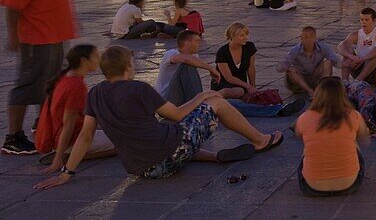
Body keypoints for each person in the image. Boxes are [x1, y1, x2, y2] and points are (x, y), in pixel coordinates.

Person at [34, 45, 282, 189]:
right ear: (128, 67)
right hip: (168, 157)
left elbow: (86, 136)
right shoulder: (139, 88)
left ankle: (212, 156)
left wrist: (67, 172)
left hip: (140, 169)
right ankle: (260, 140)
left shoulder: (95, 93)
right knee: (216, 103)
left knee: (163, 129)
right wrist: (203, 96)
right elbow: (176, 113)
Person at [1, 0, 76, 155]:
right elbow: (13, 6)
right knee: (27, 85)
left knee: (51, 85)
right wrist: (14, 36)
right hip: (36, 37)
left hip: (55, 36)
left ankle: (42, 124)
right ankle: (13, 137)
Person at [158, 30, 303, 118]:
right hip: (169, 103)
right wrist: (211, 69)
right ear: (187, 43)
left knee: (225, 104)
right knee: (187, 65)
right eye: (196, 41)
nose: (199, 45)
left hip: (187, 102)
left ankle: (276, 110)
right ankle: (200, 105)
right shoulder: (171, 53)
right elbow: (186, 59)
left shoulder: (195, 57)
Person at [35, 45, 116, 170]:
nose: (98, 59)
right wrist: (58, 158)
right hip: (72, 140)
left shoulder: (66, 76)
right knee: (123, 141)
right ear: (83, 60)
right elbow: (68, 125)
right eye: (95, 56)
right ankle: (72, 156)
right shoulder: (76, 86)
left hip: (69, 132)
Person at [294, 77, 369, 197]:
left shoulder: (304, 118)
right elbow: (365, 139)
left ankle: (316, 171)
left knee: (306, 147)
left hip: (311, 187)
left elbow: (298, 135)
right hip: (349, 185)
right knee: (353, 142)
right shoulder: (353, 115)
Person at [281, 26, 339, 97]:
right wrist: (283, 66)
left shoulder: (323, 47)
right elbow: (285, 64)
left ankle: (321, 89)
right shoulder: (295, 50)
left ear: (315, 38)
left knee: (328, 62)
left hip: (316, 78)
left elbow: (335, 59)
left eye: (311, 36)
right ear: (301, 39)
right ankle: (310, 91)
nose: (308, 39)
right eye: (305, 37)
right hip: (300, 81)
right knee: (291, 69)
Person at [339, 8, 376, 82]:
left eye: (367, 20)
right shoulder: (356, 34)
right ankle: (345, 82)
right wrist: (352, 57)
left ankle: (357, 82)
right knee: (347, 51)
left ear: (373, 21)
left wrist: (363, 59)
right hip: (358, 67)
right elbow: (341, 46)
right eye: (362, 19)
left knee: (374, 56)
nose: (363, 22)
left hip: (374, 71)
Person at [110, 0, 178, 39]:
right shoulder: (136, 9)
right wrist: (149, 23)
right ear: (139, 2)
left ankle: (158, 30)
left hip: (119, 34)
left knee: (152, 23)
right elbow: (139, 22)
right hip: (125, 35)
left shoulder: (125, 6)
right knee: (151, 22)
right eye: (142, 2)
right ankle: (156, 32)